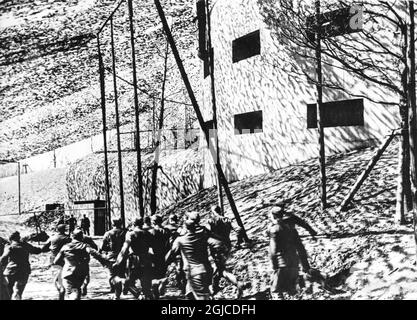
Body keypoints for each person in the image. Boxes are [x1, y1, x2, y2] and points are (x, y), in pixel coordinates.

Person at [166, 212, 215, 300]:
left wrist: (165, 261)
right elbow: (214, 242)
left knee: (201, 297)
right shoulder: (203, 235)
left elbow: (172, 252)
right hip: (206, 269)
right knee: (190, 294)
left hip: (193, 272)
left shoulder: (181, 239)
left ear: (186, 227)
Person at [267, 205, 313, 300]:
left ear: (273, 216)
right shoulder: (291, 228)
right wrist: (305, 266)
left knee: (276, 292)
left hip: (281, 265)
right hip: (294, 263)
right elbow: (300, 247)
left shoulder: (274, 229)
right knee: (292, 290)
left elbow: (273, 251)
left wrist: (273, 265)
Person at [53, 229, 104, 300]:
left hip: (68, 272)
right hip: (81, 272)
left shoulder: (65, 247)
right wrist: (105, 262)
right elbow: (96, 254)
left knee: (70, 291)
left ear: (72, 236)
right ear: (81, 237)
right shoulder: (85, 246)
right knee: (77, 289)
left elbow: (56, 261)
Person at [206, 205, 244, 299]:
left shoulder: (210, 221)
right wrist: (238, 242)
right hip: (227, 247)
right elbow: (239, 229)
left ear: (212, 212)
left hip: (215, 249)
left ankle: (237, 283)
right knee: (219, 268)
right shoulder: (227, 220)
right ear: (220, 211)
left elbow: (206, 234)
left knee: (221, 269)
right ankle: (214, 288)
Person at [114, 218, 153, 300]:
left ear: (133, 224)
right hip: (146, 259)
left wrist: (118, 261)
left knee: (129, 283)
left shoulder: (130, 234)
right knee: (146, 283)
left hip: (135, 260)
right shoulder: (148, 233)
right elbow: (152, 247)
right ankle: (147, 296)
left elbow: (125, 249)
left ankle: (139, 295)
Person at [0, 231, 43, 300]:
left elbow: (3, 257)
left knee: (8, 290)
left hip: (11, 271)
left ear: (10, 239)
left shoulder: (9, 246)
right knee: (18, 291)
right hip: (24, 270)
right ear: (19, 237)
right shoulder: (25, 245)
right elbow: (37, 251)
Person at [41, 224, 71, 300]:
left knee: (58, 278)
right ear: (64, 230)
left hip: (53, 260)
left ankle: (61, 291)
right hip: (64, 260)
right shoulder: (67, 238)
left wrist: (52, 249)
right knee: (62, 278)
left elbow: (43, 248)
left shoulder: (52, 237)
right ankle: (62, 292)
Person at [100, 219, 126, 300]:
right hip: (123, 257)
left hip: (111, 257)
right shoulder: (125, 232)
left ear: (112, 224)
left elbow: (102, 247)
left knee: (111, 275)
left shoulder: (108, 233)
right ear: (121, 223)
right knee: (121, 274)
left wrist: (102, 253)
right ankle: (117, 294)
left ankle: (114, 289)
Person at [148, 214, 171, 299]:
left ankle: (156, 293)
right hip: (164, 255)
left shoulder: (151, 232)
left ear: (153, 222)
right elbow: (169, 243)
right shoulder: (167, 231)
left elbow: (149, 245)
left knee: (154, 275)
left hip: (154, 255)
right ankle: (162, 282)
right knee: (162, 272)